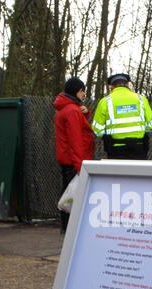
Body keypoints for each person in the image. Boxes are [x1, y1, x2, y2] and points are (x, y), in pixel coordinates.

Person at [54, 77, 95, 233]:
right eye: (82, 90)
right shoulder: (71, 110)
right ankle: (70, 227)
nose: (83, 94)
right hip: (74, 160)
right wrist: (80, 166)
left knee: (68, 191)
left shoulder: (65, 108)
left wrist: (84, 114)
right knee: (72, 194)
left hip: (67, 158)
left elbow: (74, 130)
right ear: (77, 91)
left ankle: (66, 226)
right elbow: (75, 139)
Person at [91, 73, 152, 160]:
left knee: (117, 173)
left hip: (115, 149)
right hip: (139, 147)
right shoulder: (141, 99)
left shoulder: (105, 101)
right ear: (128, 84)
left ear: (111, 86)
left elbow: (97, 129)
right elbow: (151, 124)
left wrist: (108, 135)